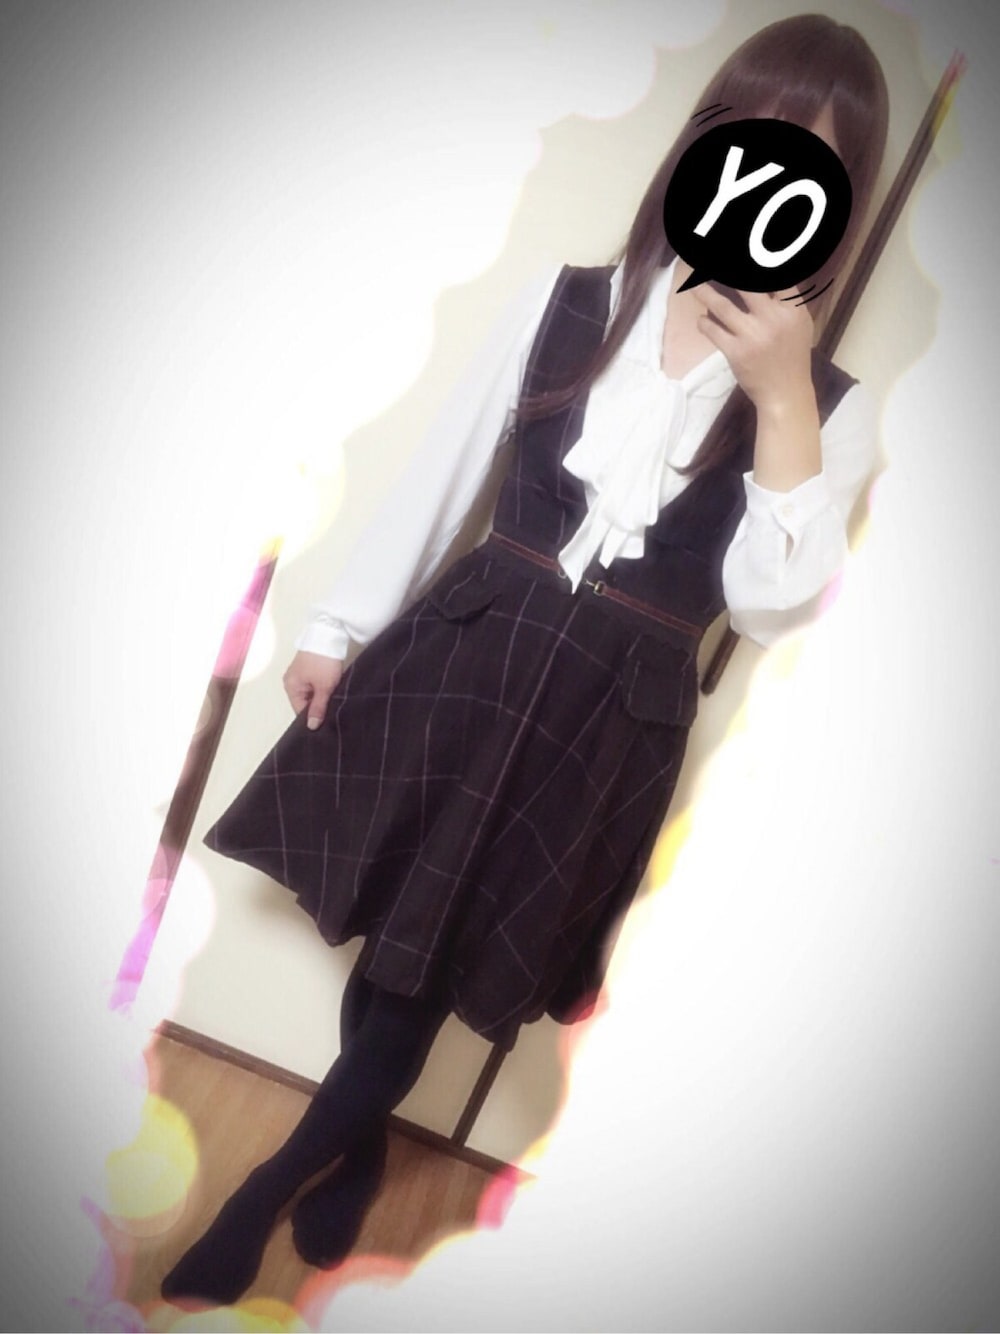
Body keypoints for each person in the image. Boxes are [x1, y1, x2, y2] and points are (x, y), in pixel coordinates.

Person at [162, 13, 889, 1307]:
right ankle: (347, 1154)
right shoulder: (574, 298)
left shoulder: (832, 404)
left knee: (441, 958)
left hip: (610, 715)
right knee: (408, 933)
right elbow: (448, 468)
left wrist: (782, 394)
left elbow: (772, 609)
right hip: (476, 642)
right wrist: (337, 627)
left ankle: (267, 1185)